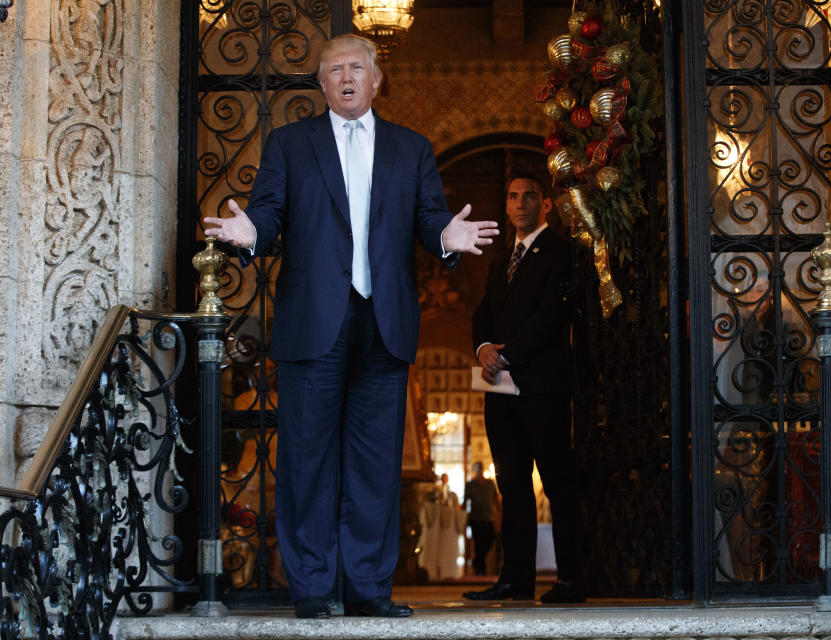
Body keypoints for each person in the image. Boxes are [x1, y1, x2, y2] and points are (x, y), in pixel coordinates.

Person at [203, 34, 498, 619]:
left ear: (375, 79)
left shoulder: (410, 148)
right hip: (314, 320)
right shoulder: (290, 143)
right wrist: (251, 234)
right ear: (321, 84)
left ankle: (367, 590)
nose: (345, 77)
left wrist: (447, 237)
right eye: (334, 70)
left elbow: (430, 216)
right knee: (307, 460)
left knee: (375, 464)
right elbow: (269, 211)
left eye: (355, 69)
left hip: (383, 321)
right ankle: (312, 588)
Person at [464, 174, 585, 604]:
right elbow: (482, 313)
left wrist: (508, 354)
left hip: (543, 388)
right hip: (500, 391)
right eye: (512, 196)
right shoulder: (501, 261)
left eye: (528, 196)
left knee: (557, 483)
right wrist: (482, 349)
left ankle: (571, 579)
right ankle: (516, 579)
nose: (519, 204)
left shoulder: (563, 252)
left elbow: (553, 315)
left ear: (545, 204)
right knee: (511, 484)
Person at [464, 461, 499, 575]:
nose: (479, 470)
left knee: (489, 540)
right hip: (475, 518)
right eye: (477, 468)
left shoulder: (490, 483)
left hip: (488, 518)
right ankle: (480, 569)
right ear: (474, 470)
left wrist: (501, 513)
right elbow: (465, 502)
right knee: (478, 544)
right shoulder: (470, 485)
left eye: (480, 468)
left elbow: (495, 499)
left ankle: (477, 563)